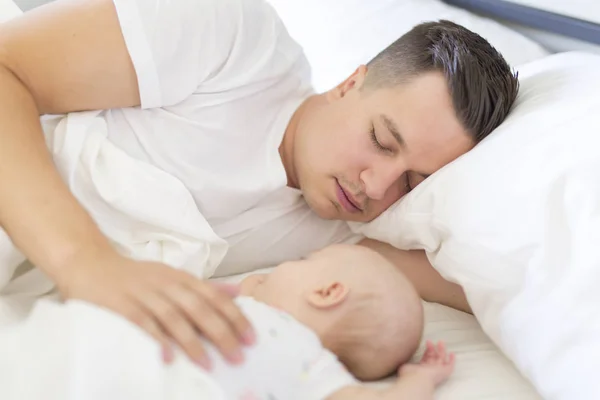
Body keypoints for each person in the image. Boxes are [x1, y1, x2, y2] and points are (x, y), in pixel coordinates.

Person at [0, 0, 518, 368]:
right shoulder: (234, 39)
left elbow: (512, 284)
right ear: (350, 83)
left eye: (412, 181)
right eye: (382, 140)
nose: (377, 187)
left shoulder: (345, 248)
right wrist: (86, 263)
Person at [4, 244, 452, 400]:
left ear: (327, 292)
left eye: (302, 260)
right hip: (88, 348)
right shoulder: (311, 370)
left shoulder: (313, 367)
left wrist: (420, 380)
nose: (283, 266)